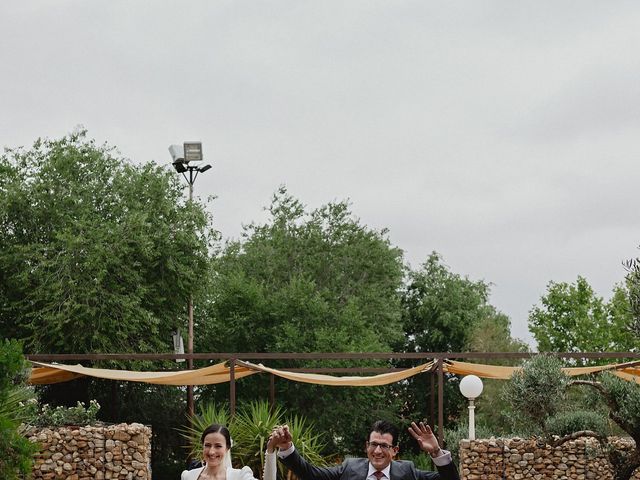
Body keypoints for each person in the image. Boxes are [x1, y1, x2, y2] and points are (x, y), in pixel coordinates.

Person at [269, 420, 459, 480]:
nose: (377, 451)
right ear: (366, 446)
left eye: (384, 446)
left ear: (395, 450)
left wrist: (435, 452)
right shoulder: (349, 468)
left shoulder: (407, 471)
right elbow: (310, 473)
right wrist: (286, 447)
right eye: (373, 444)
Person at [181, 424, 278, 480]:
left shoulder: (240, 476)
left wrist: (270, 448)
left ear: (227, 448)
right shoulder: (188, 476)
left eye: (218, 446)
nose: (211, 452)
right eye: (207, 445)